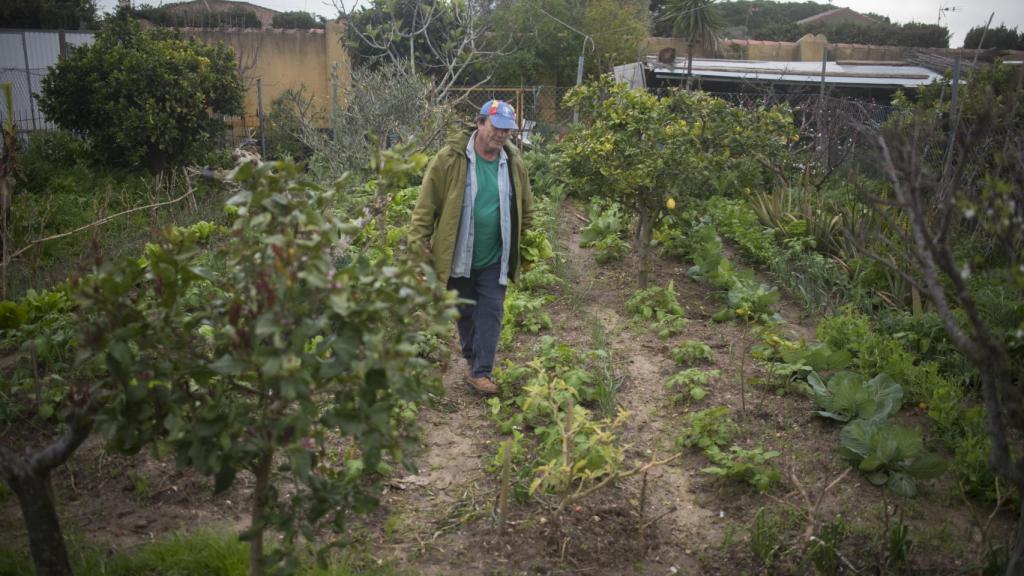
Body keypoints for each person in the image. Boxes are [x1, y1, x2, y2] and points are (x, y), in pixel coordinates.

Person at [410, 100, 535, 395]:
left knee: (491, 310)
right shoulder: (449, 159)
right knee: (464, 312)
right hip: (458, 255)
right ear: (479, 124)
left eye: (507, 130)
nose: (501, 135)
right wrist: (418, 247)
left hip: (496, 256)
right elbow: (425, 208)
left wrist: (526, 242)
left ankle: (481, 371)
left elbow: (526, 205)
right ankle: (471, 360)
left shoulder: (513, 161)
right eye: (496, 128)